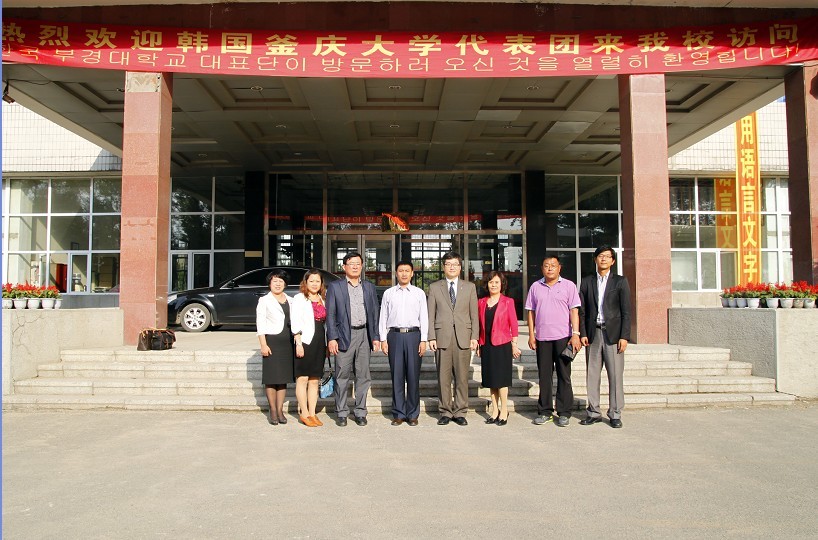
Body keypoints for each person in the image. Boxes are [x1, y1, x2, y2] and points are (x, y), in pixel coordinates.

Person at [525, 255, 582, 428]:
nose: (550, 268)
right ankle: (545, 411)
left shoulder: (569, 286)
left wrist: (576, 334)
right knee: (544, 376)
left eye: (553, 265)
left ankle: (564, 412)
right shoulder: (535, 287)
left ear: (559, 268)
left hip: (563, 337)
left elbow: (574, 311)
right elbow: (530, 312)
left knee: (564, 376)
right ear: (542, 268)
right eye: (546, 265)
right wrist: (531, 335)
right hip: (542, 338)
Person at [578, 246, 631, 429]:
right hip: (593, 334)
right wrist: (583, 333)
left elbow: (626, 311)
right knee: (592, 375)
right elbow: (582, 310)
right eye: (601, 256)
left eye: (607, 256)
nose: (604, 259)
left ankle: (615, 413)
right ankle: (593, 412)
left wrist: (624, 336)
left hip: (613, 335)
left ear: (613, 261)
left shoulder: (620, 282)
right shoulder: (587, 281)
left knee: (615, 375)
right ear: (595, 259)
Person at [326, 252, 380, 427]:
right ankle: (342, 412)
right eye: (351, 263)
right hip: (344, 335)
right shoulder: (335, 287)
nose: (355, 266)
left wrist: (376, 336)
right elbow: (330, 314)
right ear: (344, 267)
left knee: (363, 375)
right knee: (342, 375)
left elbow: (374, 313)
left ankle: (360, 412)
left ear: (362, 266)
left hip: (364, 334)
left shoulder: (369, 287)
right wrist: (332, 337)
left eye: (358, 263)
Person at [427, 251, 478, 426]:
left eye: (455, 264)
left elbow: (474, 315)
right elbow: (430, 315)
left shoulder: (469, 287)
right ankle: (445, 411)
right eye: (448, 264)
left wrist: (474, 336)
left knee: (462, 377)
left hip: (463, 337)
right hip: (442, 336)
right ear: (443, 267)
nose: (452, 267)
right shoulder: (435, 287)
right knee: (443, 377)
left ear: (460, 267)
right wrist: (431, 336)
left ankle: (460, 411)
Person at [378, 261, 428, 426]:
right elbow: (383, 316)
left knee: (413, 376)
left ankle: (413, 414)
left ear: (412, 273)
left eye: (407, 271)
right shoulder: (389, 293)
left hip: (414, 336)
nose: (404, 274)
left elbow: (424, 317)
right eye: (401, 271)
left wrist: (423, 339)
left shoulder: (419, 293)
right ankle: (399, 413)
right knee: (397, 376)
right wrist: (383, 339)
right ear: (396, 273)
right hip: (395, 336)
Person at [477, 271, 521, 426]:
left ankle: (504, 410)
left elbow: (514, 324)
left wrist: (514, 344)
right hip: (486, 345)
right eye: (491, 282)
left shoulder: (508, 302)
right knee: (491, 380)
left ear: (502, 284)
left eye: (496, 282)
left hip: (502, 345)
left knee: (501, 380)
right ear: (487, 284)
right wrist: (479, 343)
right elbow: (479, 325)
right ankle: (494, 410)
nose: (493, 285)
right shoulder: (481, 302)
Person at [256, 270, 296, 425]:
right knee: (272, 379)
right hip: (272, 342)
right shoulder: (264, 300)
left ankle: (280, 410)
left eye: (281, 281)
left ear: (285, 284)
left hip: (288, 343)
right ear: (270, 283)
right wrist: (263, 344)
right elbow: (260, 324)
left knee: (283, 379)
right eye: (275, 281)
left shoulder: (291, 300)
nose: (278, 284)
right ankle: (272, 410)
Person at [291, 269, 328, 428]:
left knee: (314, 379)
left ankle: (312, 413)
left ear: (321, 283)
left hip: (320, 340)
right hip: (305, 341)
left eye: (317, 281)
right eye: (311, 281)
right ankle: (304, 413)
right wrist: (298, 343)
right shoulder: (299, 298)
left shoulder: (323, 298)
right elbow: (295, 321)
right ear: (305, 282)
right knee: (303, 378)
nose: (314, 284)